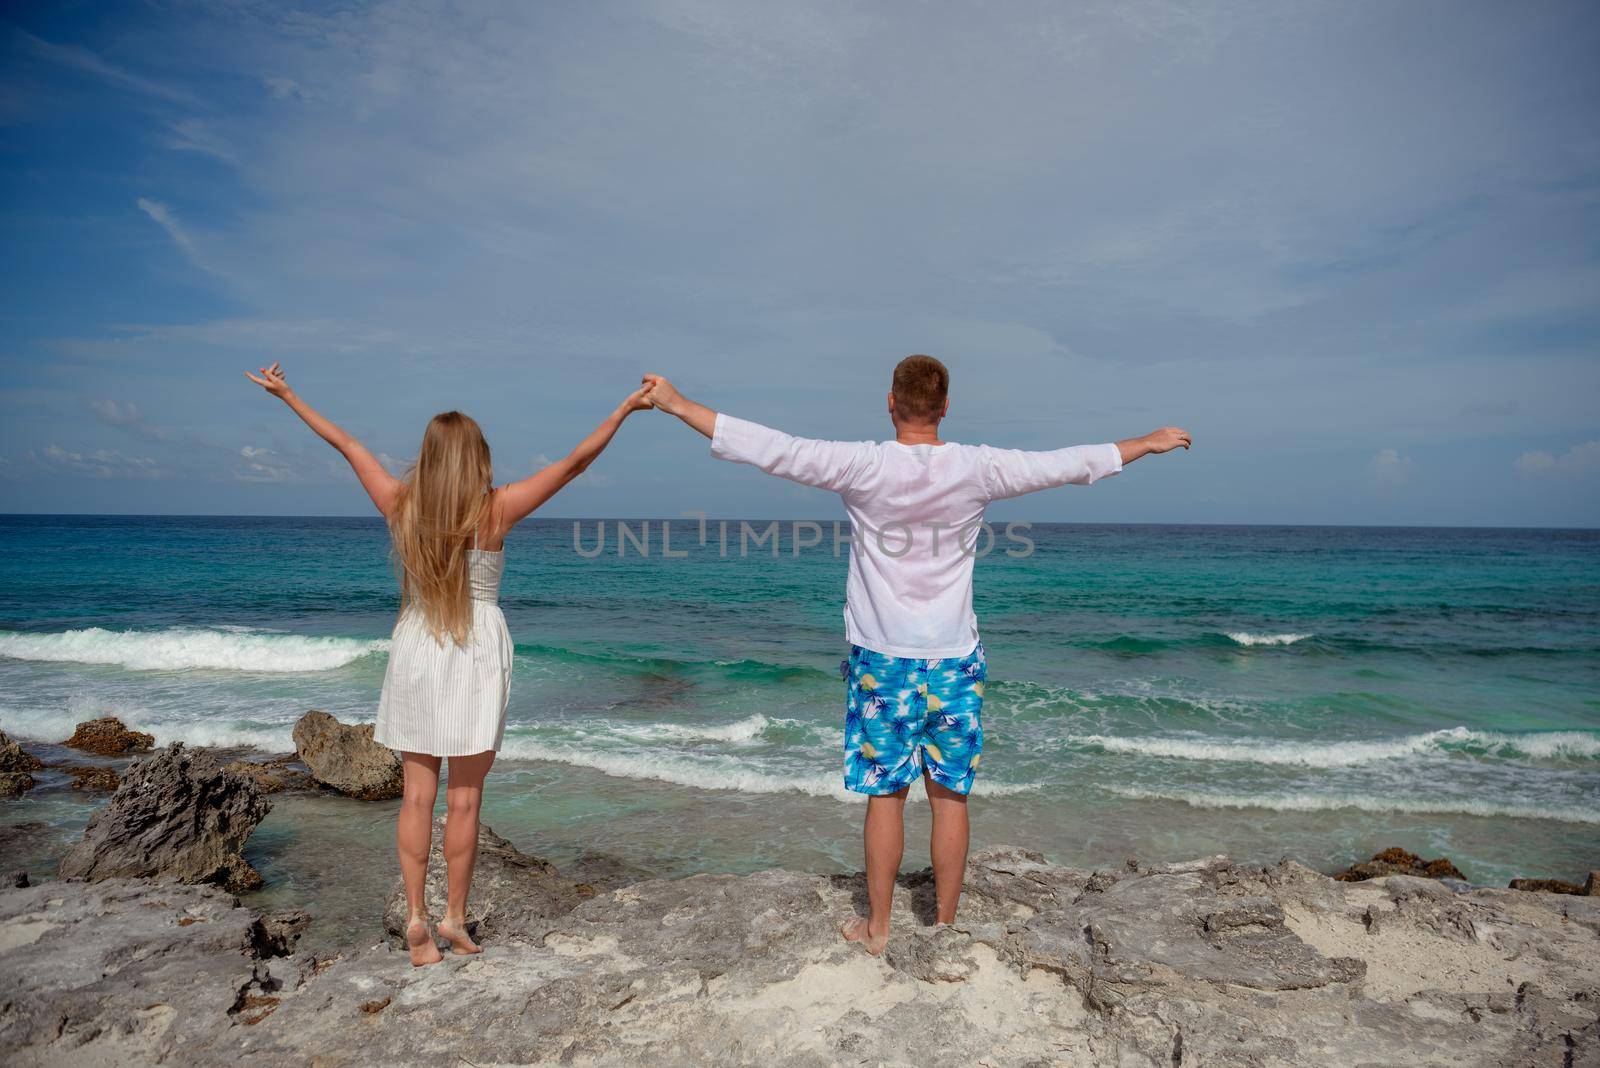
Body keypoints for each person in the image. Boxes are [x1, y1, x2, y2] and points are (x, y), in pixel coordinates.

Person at [640, 356, 1189, 955]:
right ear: (946, 406)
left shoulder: (863, 464)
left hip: (883, 657)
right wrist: (1148, 443)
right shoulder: (979, 467)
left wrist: (677, 403)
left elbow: (774, 448)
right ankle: (944, 930)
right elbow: (1069, 464)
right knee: (949, 796)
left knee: (887, 794)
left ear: (891, 403)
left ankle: (878, 929)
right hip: (954, 654)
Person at [245, 361, 651, 966]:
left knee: (416, 798)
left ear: (428, 457)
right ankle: (453, 920)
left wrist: (288, 396)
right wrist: (622, 411)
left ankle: (416, 920)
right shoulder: (498, 508)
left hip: (418, 644)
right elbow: (574, 463)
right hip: (476, 648)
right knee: (464, 800)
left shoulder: (400, 504)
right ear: (477, 457)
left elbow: (347, 444)